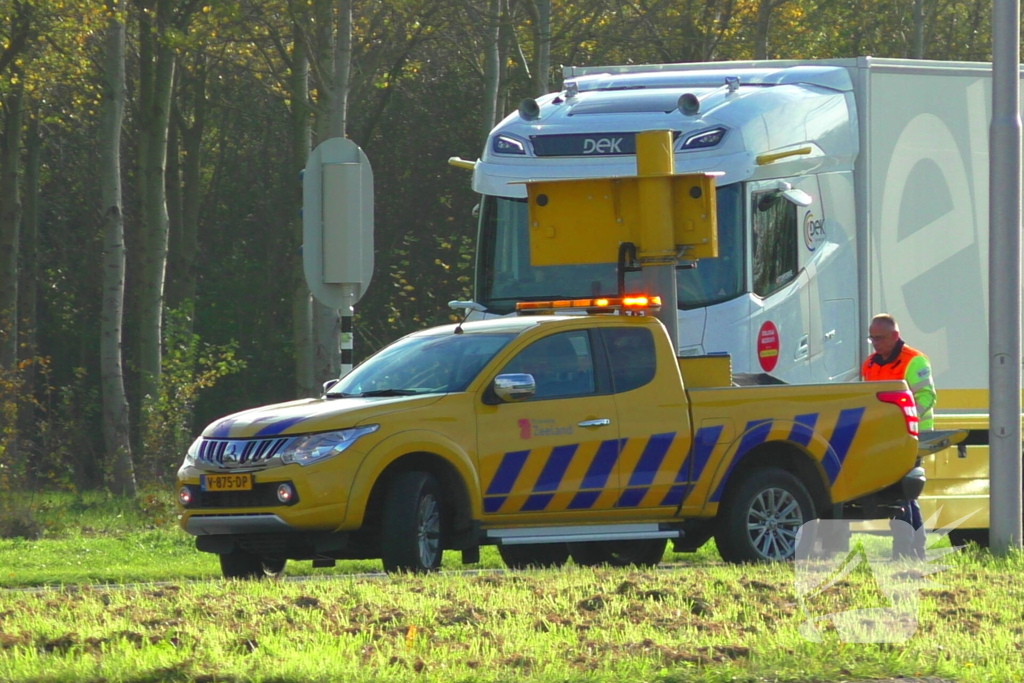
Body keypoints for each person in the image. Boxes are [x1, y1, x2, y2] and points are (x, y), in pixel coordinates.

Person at [861, 313, 936, 559]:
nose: (875, 343)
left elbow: (926, 396)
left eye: (879, 338)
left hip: (911, 437)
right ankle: (912, 550)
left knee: (902, 489)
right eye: (871, 338)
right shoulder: (870, 364)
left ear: (894, 336)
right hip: (883, 439)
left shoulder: (914, 361)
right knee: (900, 492)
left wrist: (905, 422)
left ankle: (905, 549)